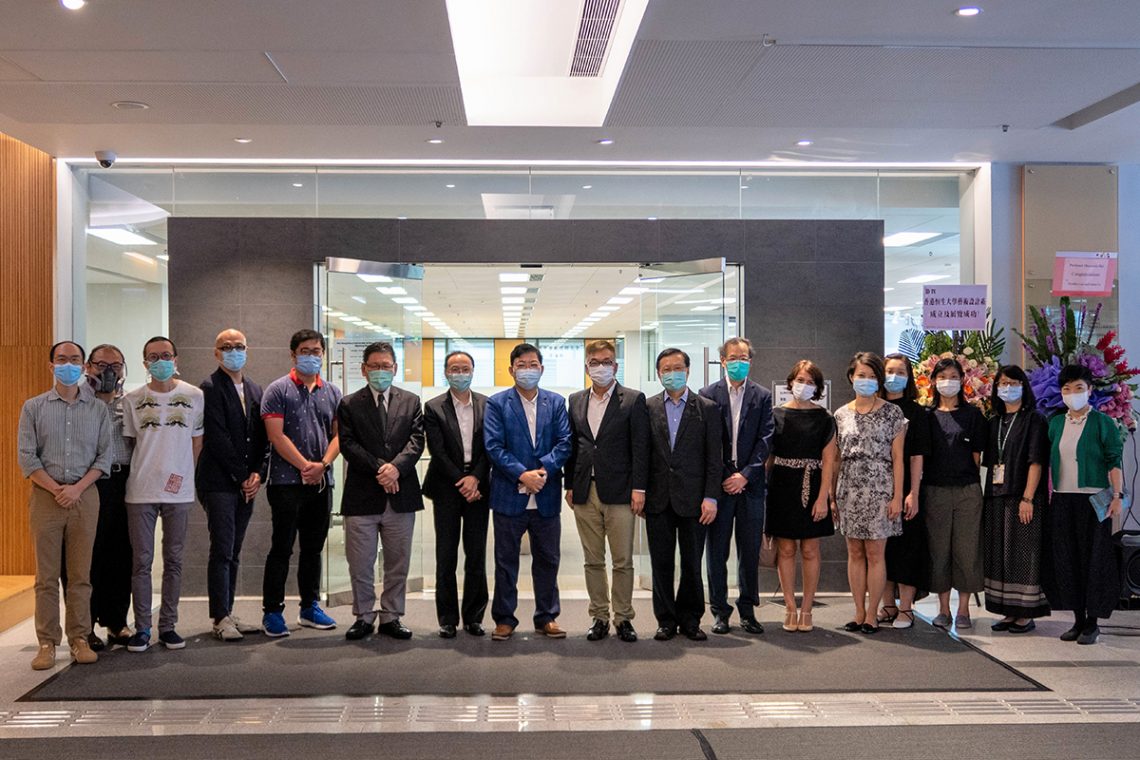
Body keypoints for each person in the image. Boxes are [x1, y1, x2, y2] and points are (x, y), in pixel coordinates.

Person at [18, 341, 112, 670]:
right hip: (46, 495)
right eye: (62, 359)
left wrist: (77, 489)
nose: (68, 365)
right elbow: (27, 458)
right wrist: (57, 488)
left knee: (80, 575)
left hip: (85, 496)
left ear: (85, 366)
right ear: (51, 365)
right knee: (46, 576)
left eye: (75, 360)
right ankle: (46, 641)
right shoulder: (34, 407)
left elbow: (105, 457)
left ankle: (79, 637)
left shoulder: (98, 409)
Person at [484, 343, 572, 641]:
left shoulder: (556, 402)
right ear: (511, 370)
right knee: (505, 561)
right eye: (521, 365)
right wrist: (522, 474)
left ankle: (546, 616)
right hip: (509, 494)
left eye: (533, 364)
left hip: (545, 496)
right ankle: (505, 618)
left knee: (548, 560)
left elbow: (564, 443)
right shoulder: (497, 404)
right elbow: (494, 446)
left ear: (542, 369)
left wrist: (542, 472)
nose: (527, 370)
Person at [121, 336, 205, 652]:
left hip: (180, 491)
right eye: (153, 356)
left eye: (166, 355)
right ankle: (142, 627)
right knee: (141, 561)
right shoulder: (132, 399)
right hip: (140, 490)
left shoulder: (194, 396)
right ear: (145, 363)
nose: (161, 361)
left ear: (176, 358)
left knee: (174, 559)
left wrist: (183, 473)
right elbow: (131, 444)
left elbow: (197, 442)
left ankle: (168, 625)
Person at [338, 341, 425, 641]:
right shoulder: (349, 403)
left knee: (397, 561)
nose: (380, 371)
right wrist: (381, 469)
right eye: (374, 366)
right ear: (363, 369)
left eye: (385, 366)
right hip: (362, 495)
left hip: (401, 495)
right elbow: (347, 444)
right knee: (360, 563)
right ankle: (363, 616)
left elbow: (416, 441)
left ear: (395, 368)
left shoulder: (412, 401)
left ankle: (391, 616)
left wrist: (396, 468)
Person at [565, 339, 649, 643]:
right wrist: (570, 484)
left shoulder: (633, 399)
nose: (601, 366)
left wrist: (639, 488)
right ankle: (599, 616)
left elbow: (641, 448)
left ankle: (623, 617)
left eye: (607, 361)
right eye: (595, 362)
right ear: (587, 367)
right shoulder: (575, 400)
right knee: (593, 560)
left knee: (622, 560)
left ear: (615, 366)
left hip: (622, 492)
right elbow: (573, 446)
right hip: (586, 491)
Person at [260, 329, 342, 637]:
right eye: (305, 351)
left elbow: (339, 436)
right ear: (293, 355)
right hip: (285, 483)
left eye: (317, 351)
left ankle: (310, 607)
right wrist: (305, 466)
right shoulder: (277, 390)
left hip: (321, 482)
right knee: (281, 548)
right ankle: (272, 611)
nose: (312, 356)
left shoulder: (332, 392)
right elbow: (275, 435)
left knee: (313, 548)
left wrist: (322, 465)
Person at [644, 348, 722, 642]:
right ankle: (665, 619)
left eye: (677, 368)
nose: (672, 373)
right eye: (666, 369)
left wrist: (711, 497)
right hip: (658, 499)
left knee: (691, 562)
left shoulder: (707, 408)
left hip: (695, 499)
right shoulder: (648, 407)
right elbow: (643, 453)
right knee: (661, 562)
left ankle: (690, 619)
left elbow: (715, 457)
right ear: (658, 373)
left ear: (688, 372)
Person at [1046, 363, 1125, 645]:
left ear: (1090, 390)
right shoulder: (1055, 423)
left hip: (1095, 500)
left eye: (1079, 388)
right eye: (1067, 389)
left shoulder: (1104, 423)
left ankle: (1092, 623)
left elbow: (1114, 461)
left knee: (1095, 560)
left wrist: (1118, 496)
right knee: (1068, 560)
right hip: (1063, 499)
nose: (1073, 394)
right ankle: (1077, 619)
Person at [197, 329, 268, 641]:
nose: (233, 351)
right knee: (222, 549)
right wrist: (242, 477)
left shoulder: (254, 388)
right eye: (227, 347)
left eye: (239, 346)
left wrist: (257, 474)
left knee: (234, 550)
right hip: (219, 483)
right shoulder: (209, 388)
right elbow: (217, 437)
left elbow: (261, 439)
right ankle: (219, 617)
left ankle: (228, 611)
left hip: (246, 484)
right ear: (216, 353)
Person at [699, 337, 774, 635]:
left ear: (750, 361)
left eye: (744, 357)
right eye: (733, 357)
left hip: (751, 486)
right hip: (719, 487)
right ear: (722, 359)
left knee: (749, 549)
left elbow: (766, 439)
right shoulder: (708, 394)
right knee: (716, 551)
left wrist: (745, 475)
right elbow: (707, 443)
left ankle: (747, 609)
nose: (738, 362)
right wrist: (726, 476)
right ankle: (720, 611)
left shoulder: (763, 396)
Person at [833, 352, 906, 634]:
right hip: (849, 488)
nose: (866, 380)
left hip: (880, 488)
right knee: (854, 551)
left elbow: (898, 458)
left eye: (872, 376)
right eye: (860, 375)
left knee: (876, 552)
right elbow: (836, 457)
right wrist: (832, 494)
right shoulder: (840, 414)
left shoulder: (892, 413)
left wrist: (897, 495)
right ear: (851, 377)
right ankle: (858, 611)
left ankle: (873, 614)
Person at [423, 350, 491, 638]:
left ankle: (474, 617)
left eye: (465, 368)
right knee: (446, 553)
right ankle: (447, 618)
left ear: (473, 371)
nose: (459, 373)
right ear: (445, 372)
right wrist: (462, 481)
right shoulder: (434, 407)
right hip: (447, 486)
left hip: (479, 487)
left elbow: (491, 446)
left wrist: (475, 477)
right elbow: (436, 451)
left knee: (475, 553)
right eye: (454, 368)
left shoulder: (488, 405)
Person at [765, 360, 836, 633]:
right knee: (785, 549)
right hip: (782, 484)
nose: (803, 386)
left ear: (817, 387)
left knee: (810, 549)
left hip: (813, 483)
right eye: (800, 380)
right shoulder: (776, 414)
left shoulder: (824, 418)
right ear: (790, 381)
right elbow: (769, 456)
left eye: (810, 382)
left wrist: (823, 498)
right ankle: (789, 607)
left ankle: (807, 609)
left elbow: (829, 461)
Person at [983, 365, 1050, 633]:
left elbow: (1037, 462)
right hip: (996, 496)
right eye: (1002, 383)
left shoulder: (1035, 419)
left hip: (1022, 497)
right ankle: (1008, 611)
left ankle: (1025, 613)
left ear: (1023, 386)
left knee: (1023, 553)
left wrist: (1028, 498)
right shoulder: (994, 421)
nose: (1007, 387)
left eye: (1013, 382)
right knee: (1000, 554)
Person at [923, 357, 988, 630]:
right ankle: (942, 609)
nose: (947, 381)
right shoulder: (926, 416)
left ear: (962, 380)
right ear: (934, 381)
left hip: (967, 491)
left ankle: (963, 609)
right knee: (939, 550)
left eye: (953, 376)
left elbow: (977, 457)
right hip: (934, 490)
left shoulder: (973, 415)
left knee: (967, 549)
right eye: (942, 376)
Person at [875, 353, 932, 630]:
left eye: (900, 371)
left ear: (909, 377)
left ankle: (906, 608)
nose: (894, 376)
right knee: (882, 551)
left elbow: (917, 456)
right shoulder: (873, 407)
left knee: (907, 549)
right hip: (875, 489)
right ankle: (887, 605)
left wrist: (913, 493)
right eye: (889, 371)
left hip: (906, 488)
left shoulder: (916, 412)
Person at [84, 344, 135, 650]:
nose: (108, 371)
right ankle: (85, 626)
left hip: (124, 481)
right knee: (87, 556)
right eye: (101, 365)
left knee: (122, 553)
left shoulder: (130, 403)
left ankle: (117, 623)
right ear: (89, 367)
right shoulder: (78, 403)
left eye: (115, 365)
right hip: (90, 483)